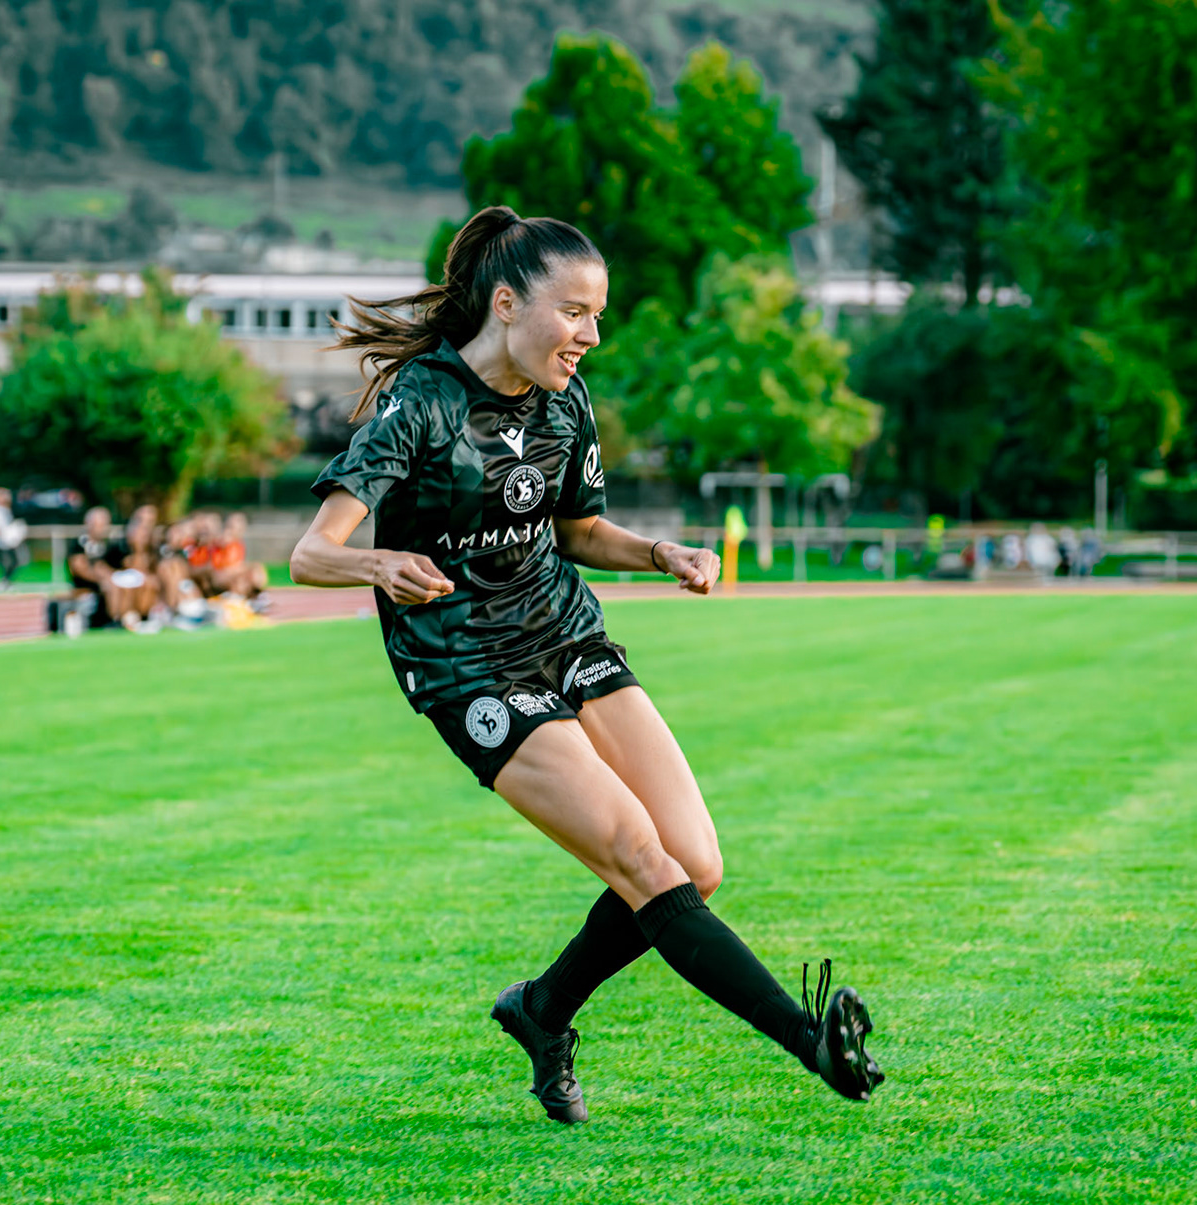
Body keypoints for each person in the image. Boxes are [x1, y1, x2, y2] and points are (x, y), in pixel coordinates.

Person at [289, 206, 883, 1125]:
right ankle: (809, 1043)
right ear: (506, 303)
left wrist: (658, 553)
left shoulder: (564, 399)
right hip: (468, 667)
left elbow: (575, 531)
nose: (590, 336)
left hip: (564, 633)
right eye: (574, 313)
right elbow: (308, 554)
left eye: (597, 316)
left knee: (695, 861)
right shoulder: (422, 403)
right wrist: (377, 562)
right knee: (645, 862)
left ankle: (543, 1009)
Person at [66, 506, 131, 625]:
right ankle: (114, 620)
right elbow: (78, 567)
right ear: (89, 524)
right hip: (85, 583)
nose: (103, 528)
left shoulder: (106, 544)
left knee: (123, 585)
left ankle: (124, 618)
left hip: (103, 580)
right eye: (100, 524)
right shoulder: (80, 542)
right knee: (110, 585)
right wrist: (100, 578)